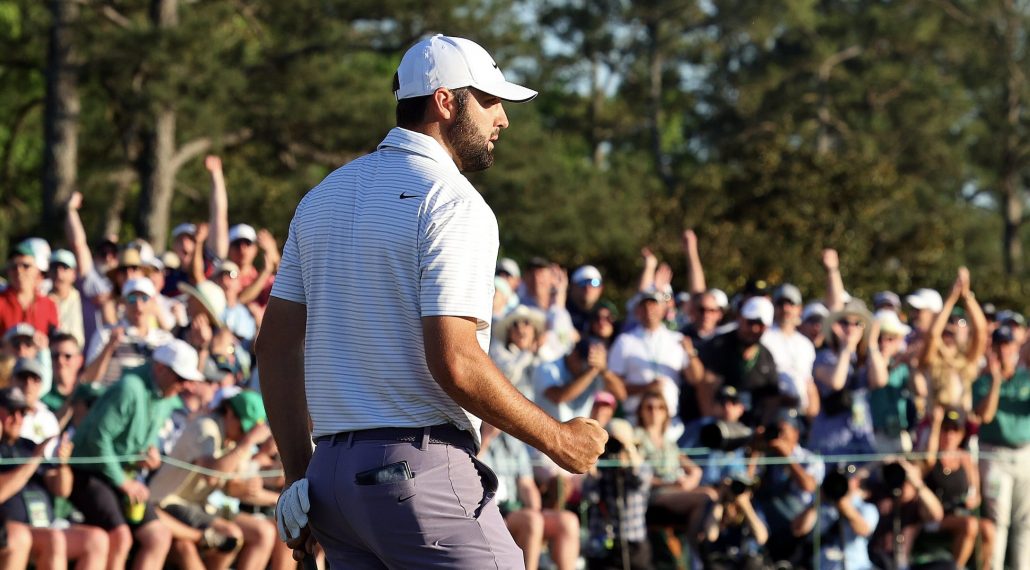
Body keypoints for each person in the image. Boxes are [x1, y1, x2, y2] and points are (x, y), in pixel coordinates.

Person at [256, 33, 607, 567]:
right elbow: (455, 360)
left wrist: (299, 479)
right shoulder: (454, 202)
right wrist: (557, 439)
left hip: (331, 482)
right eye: (490, 101)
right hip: (415, 477)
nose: (502, 119)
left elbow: (275, 348)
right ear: (446, 101)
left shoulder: (321, 197)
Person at [69, 339, 203, 569]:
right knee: (121, 538)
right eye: (181, 378)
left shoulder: (164, 397)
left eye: (189, 381)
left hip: (120, 476)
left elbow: (133, 444)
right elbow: (97, 441)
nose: (187, 386)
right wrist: (124, 483)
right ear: (160, 369)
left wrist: (146, 459)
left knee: (159, 536)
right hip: (89, 475)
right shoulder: (129, 388)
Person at [149, 390, 277, 570]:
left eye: (248, 431)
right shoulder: (205, 427)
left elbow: (231, 489)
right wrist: (247, 442)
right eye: (243, 429)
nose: (243, 435)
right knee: (230, 535)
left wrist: (248, 488)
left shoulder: (235, 441)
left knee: (263, 532)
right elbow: (211, 475)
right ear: (230, 413)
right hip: (168, 501)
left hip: (199, 505)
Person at [0, 386, 109, 570]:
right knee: (53, 538)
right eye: (11, 412)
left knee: (97, 539)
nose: (17, 418)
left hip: (45, 524)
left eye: (21, 412)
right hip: (14, 528)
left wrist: (62, 464)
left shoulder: (29, 445)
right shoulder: (27, 452)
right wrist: (33, 461)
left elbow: (62, 490)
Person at [479, 422, 580, 570]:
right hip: (490, 511)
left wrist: (536, 509)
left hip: (514, 508)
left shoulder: (514, 442)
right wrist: (487, 436)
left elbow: (526, 484)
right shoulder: (474, 436)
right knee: (532, 521)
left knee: (568, 521)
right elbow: (469, 464)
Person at [973, 326, 1030, 570]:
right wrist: (996, 379)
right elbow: (984, 415)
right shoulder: (983, 381)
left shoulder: (1026, 378)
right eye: (1000, 345)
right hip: (994, 455)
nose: (1004, 350)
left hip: (1024, 454)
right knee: (998, 520)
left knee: (1025, 522)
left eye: (1009, 345)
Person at [83, 277, 175, 386]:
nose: (138, 305)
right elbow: (88, 380)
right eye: (132, 298)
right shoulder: (106, 334)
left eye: (144, 298)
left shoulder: (166, 340)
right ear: (123, 302)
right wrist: (109, 347)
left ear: (153, 302)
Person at [919, 267, 987, 411]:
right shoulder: (933, 359)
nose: (953, 327)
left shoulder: (967, 359)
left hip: (959, 427)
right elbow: (933, 335)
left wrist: (967, 295)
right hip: (935, 426)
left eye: (960, 322)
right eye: (949, 322)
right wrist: (951, 299)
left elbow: (981, 332)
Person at [761, 283, 819, 418]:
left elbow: (808, 381)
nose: (785, 308)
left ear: (799, 309)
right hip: (771, 413)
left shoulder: (805, 344)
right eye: (780, 303)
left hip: (800, 416)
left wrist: (812, 411)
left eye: (791, 304)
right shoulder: (763, 337)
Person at [0, 240, 59, 335]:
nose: (19, 271)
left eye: (26, 266)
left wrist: (45, 343)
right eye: (13, 267)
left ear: (37, 270)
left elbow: (55, 342)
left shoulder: (49, 305)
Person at [48, 249, 85, 347]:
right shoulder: (41, 301)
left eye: (64, 267)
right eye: (54, 267)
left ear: (74, 273)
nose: (58, 272)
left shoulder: (83, 300)